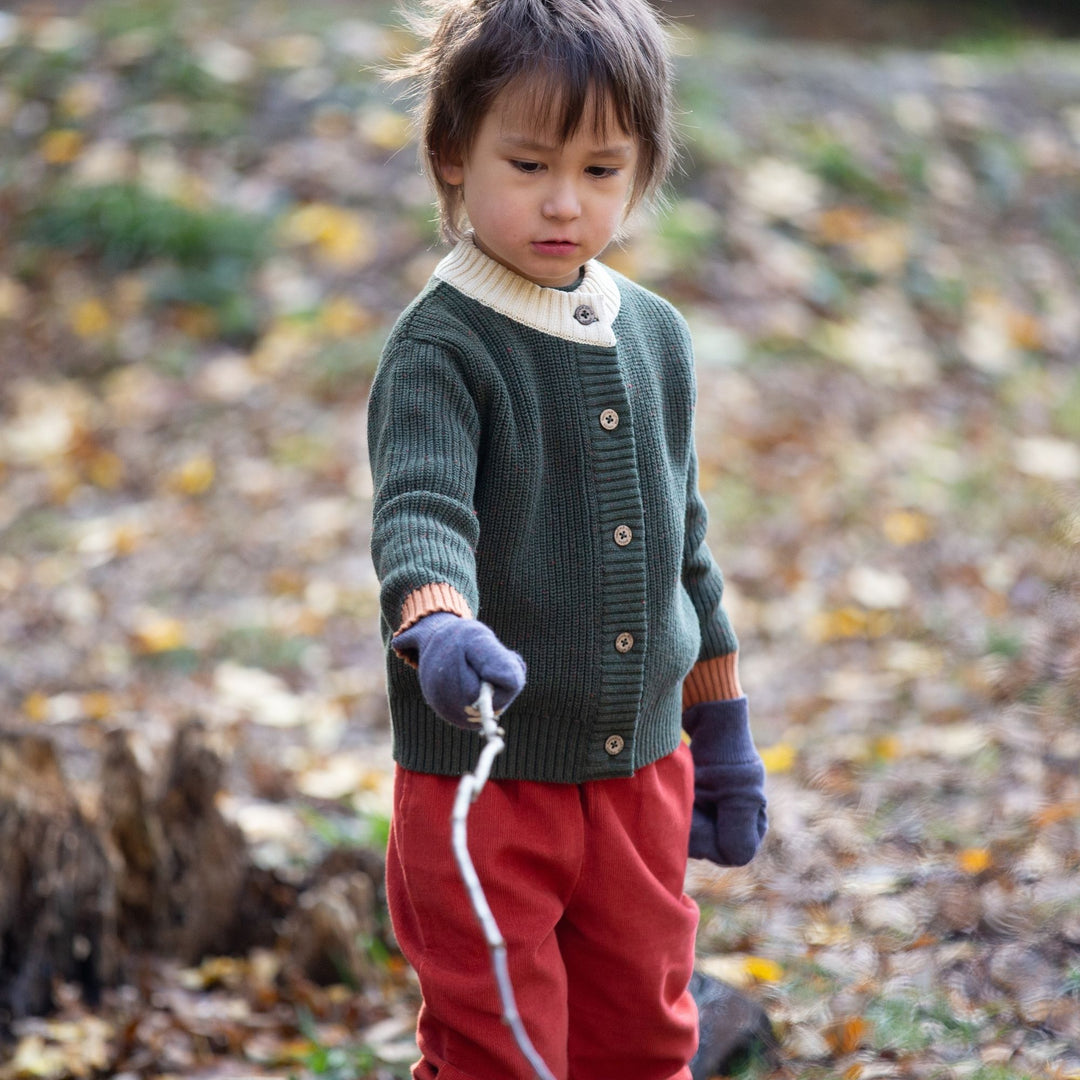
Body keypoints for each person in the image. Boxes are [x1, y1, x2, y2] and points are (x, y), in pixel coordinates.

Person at [367, 1, 768, 1077]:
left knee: (642, 1035)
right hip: (487, 784)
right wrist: (438, 626)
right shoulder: (441, 347)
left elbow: (685, 546)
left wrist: (718, 728)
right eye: (529, 162)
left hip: (644, 779)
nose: (563, 202)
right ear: (454, 155)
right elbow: (420, 513)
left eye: (601, 170)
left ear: (643, 168)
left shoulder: (657, 336)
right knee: (501, 1046)